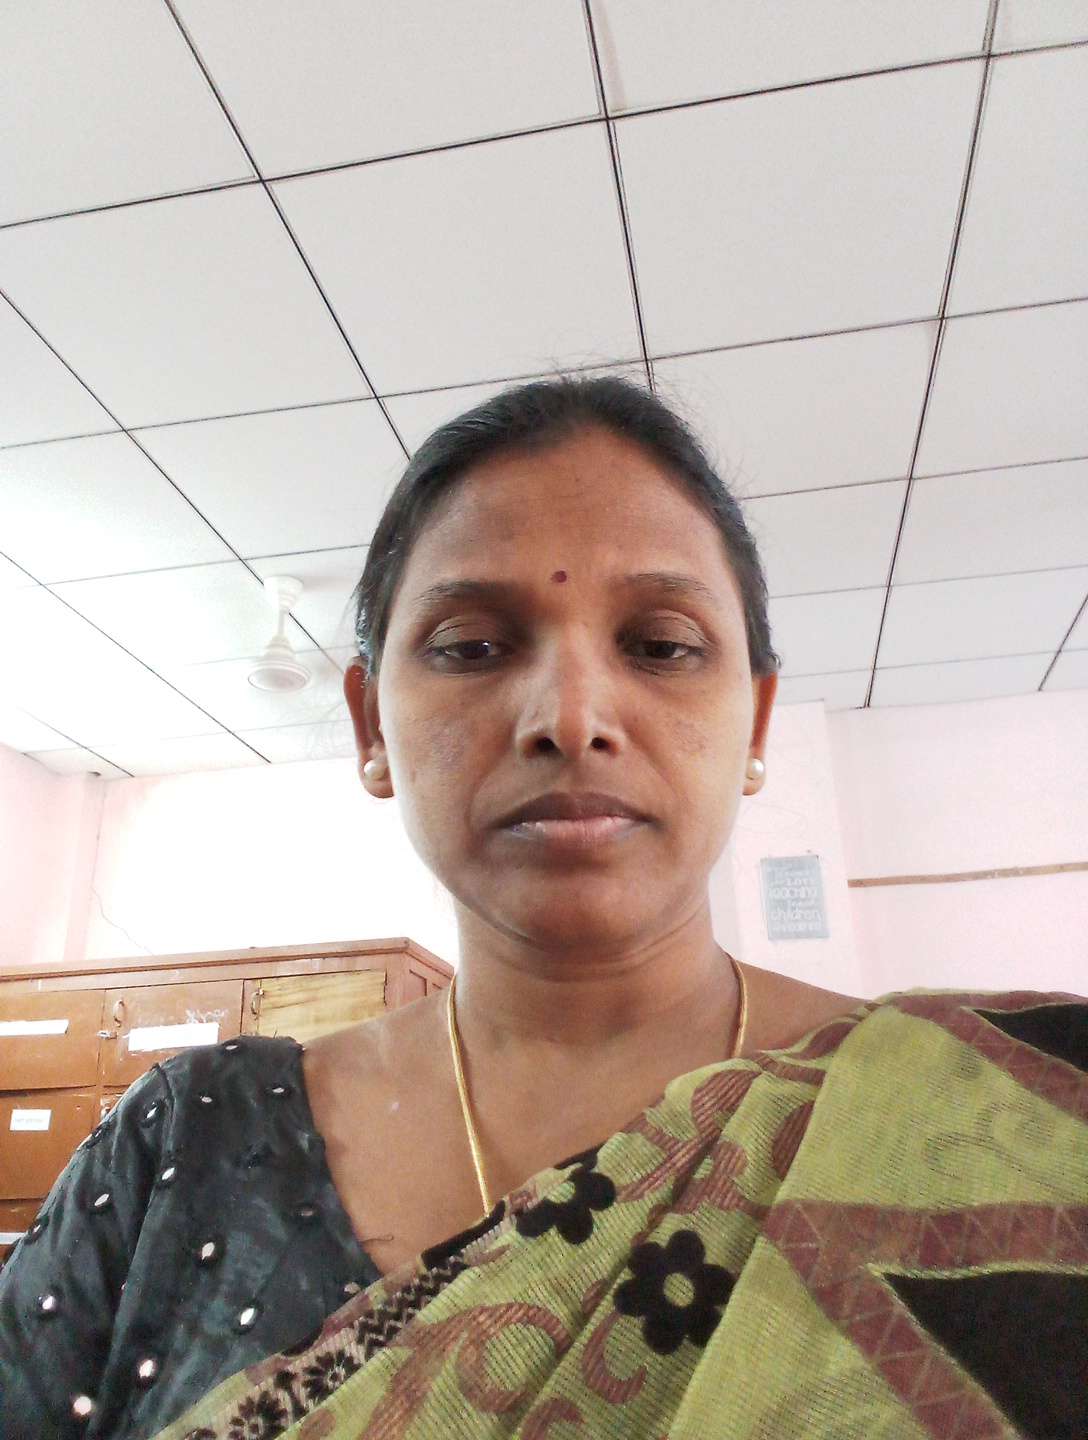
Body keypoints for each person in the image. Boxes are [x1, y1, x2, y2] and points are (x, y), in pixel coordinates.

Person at [0, 376, 1084, 1440]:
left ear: (755, 725)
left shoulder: (1009, 1113)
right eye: (473, 647)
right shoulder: (177, 1152)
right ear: (371, 728)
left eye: (659, 645)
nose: (570, 717)